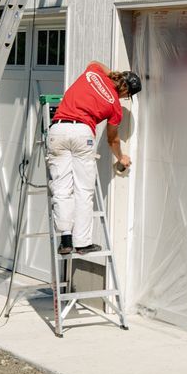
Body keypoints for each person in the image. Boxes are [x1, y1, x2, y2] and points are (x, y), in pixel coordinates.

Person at [48, 60, 139, 255]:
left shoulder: (94, 72)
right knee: (83, 190)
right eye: (127, 96)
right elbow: (112, 139)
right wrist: (121, 157)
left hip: (58, 128)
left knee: (61, 188)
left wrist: (111, 75)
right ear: (126, 92)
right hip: (82, 133)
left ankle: (65, 240)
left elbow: (94, 62)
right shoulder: (115, 106)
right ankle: (81, 243)